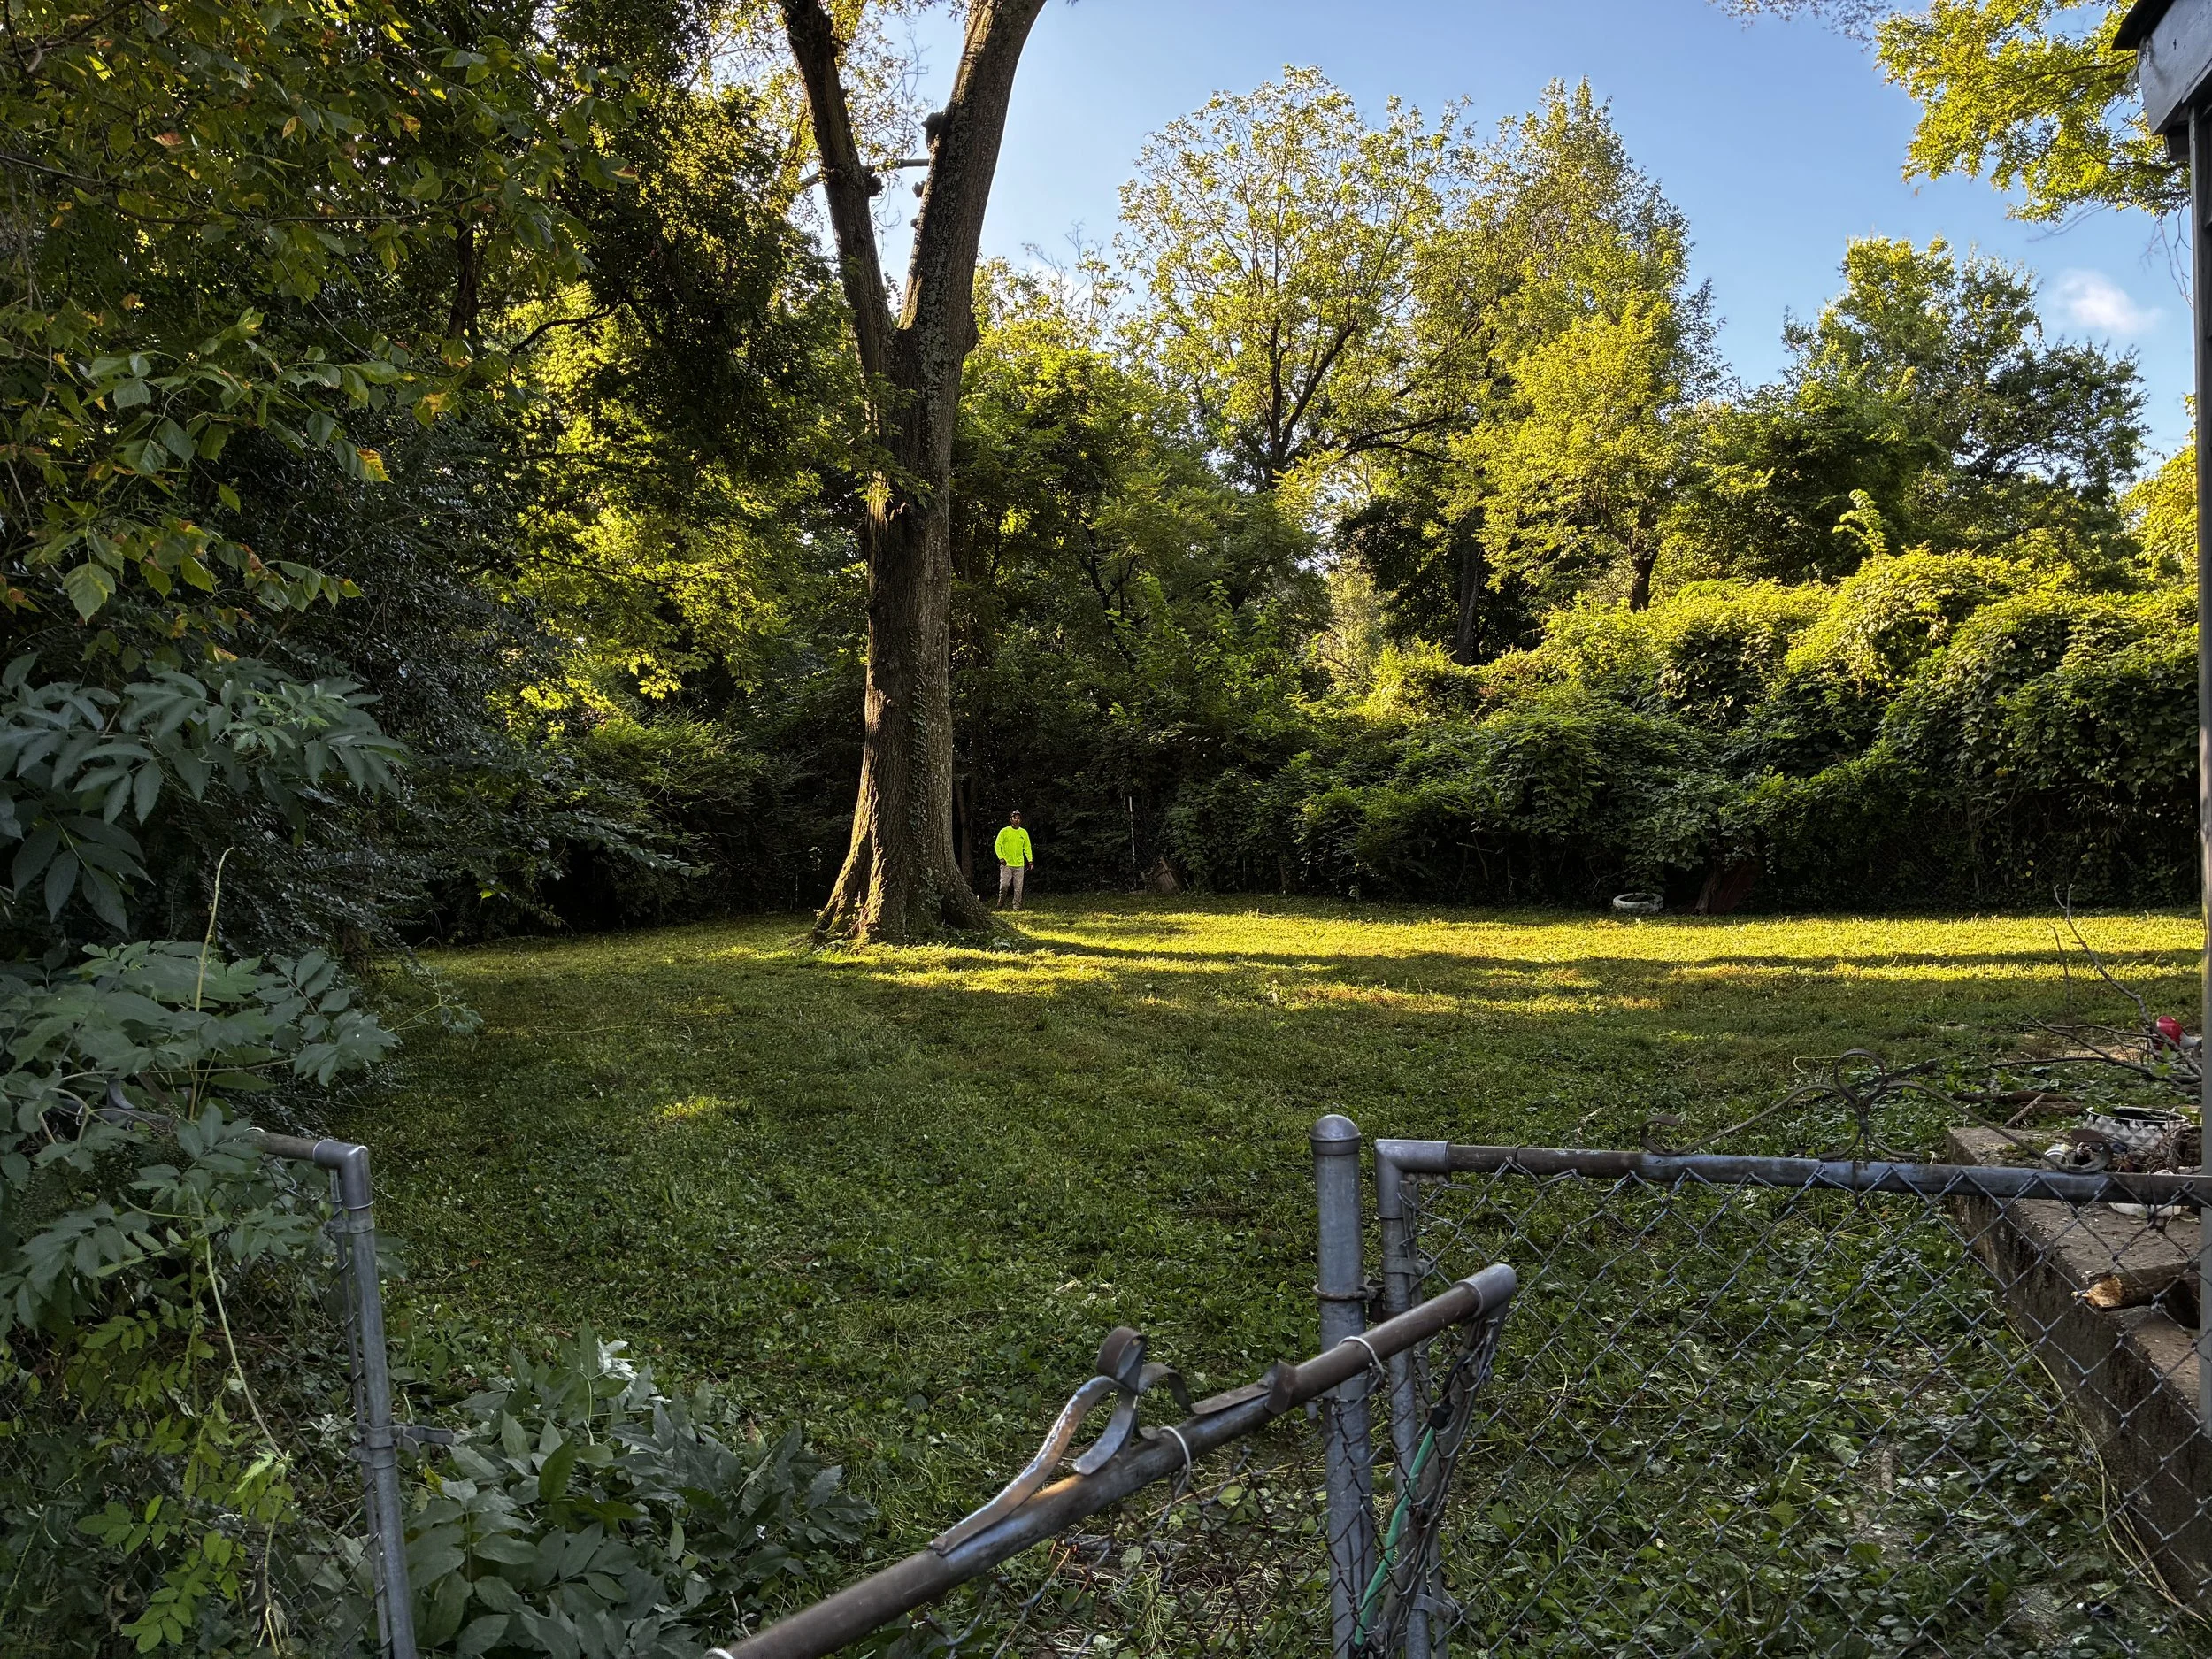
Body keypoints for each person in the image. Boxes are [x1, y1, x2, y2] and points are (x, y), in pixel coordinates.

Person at [993, 810, 1034, 910]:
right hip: (1006, 864)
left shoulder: (1023, 832)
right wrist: (1001, 857)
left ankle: (1016, 906)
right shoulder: (1004, 831)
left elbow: (1027, 847)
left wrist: (1030, 860)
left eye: (1018, 818)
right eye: (1014, 818)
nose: (1016, 820)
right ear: (1011, 819)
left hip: (1019, 864)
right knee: (1004, 885)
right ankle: (1001, 902)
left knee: (1018, 887)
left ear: (1021, 820)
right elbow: (997, 845)